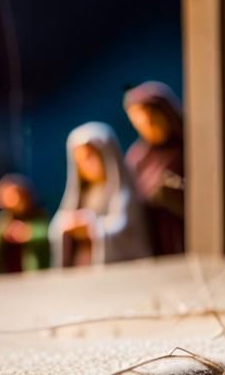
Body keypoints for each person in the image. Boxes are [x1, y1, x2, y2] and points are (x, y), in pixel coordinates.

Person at [49, 122, 152, 267]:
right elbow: (57, 226)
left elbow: (125, 229)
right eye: (80, 161)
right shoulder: (80, 194)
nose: (86, 165)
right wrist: (68, 224)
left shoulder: (122, 192)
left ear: (106, 155)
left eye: (90, 157)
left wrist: (92, 227)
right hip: (83, 263)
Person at [124, 82, 185, 256]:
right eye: (139, 120)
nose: (147, 124)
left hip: (182, 233)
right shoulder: (138, 157)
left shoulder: (188, 149)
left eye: (152, 117)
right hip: (151, 237)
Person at [0, 174, 50, 273]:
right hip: (9, 275)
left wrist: (28, 233)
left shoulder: (37, 215)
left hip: (34, 274)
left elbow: (48, 233)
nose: (13, 201)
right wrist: (2, 234)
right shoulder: (3, 220)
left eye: (16, 196)